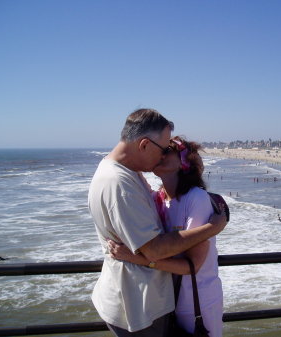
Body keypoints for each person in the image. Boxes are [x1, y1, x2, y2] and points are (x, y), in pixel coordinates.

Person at [88, 109, 227, 336]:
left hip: (160, 302)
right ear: (144, 145)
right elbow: (154, 249)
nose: (161, 156)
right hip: (137, 305)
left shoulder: (130, 176)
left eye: (167, 152)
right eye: (162, 149)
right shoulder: (120, 183)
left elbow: (191, 263)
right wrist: (213, 228)